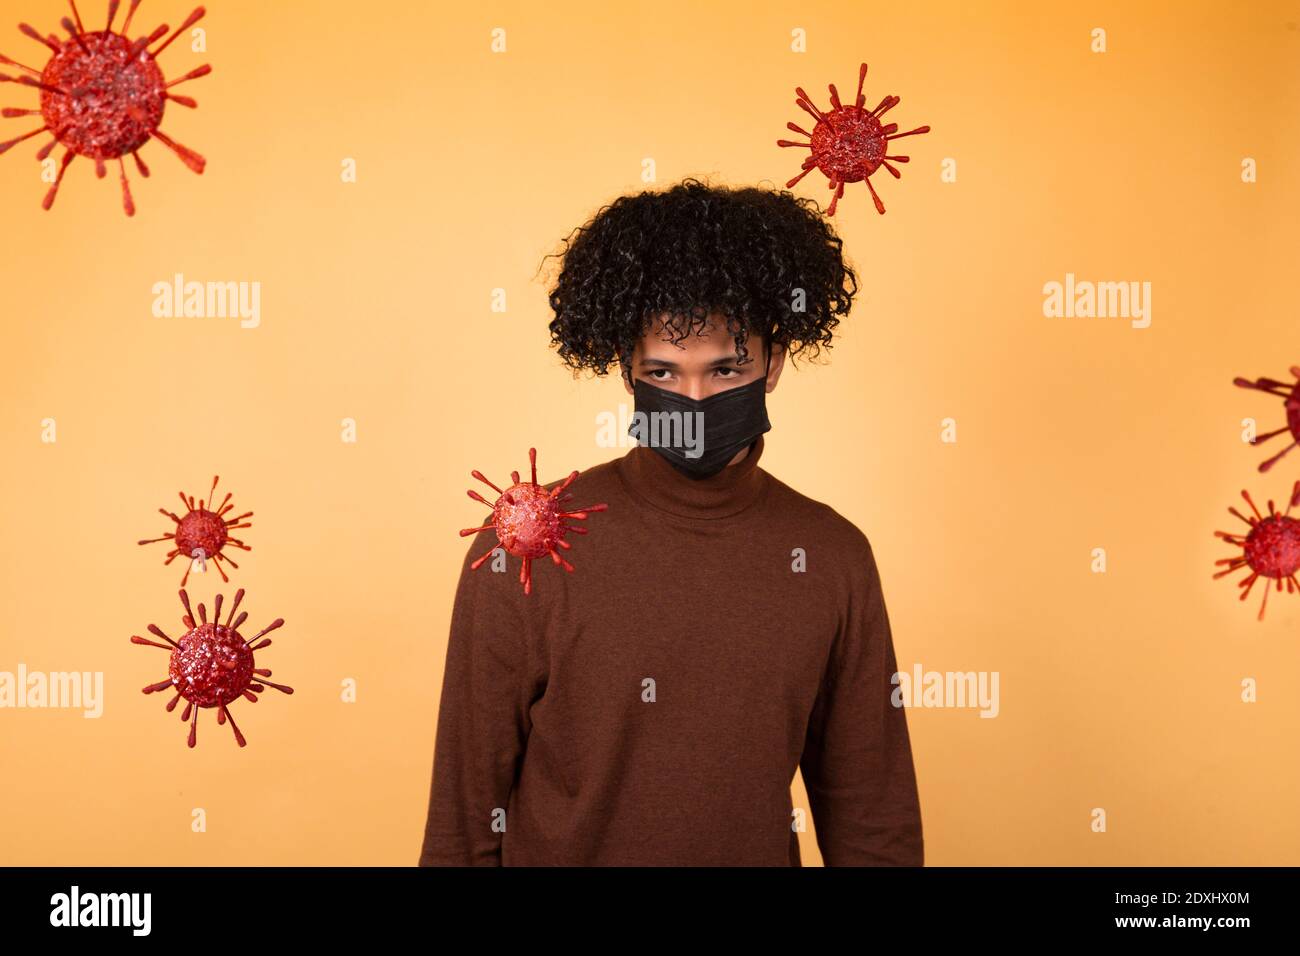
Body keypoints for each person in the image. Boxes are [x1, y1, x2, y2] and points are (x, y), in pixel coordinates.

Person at [419, 178, 923, 866]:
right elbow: (465, 816)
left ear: (773, 362)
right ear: (626, 370)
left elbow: (873, 817)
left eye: (723, 370)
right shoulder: (530, 542)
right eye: (663, 370)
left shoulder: (830, 555)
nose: (693, 397)